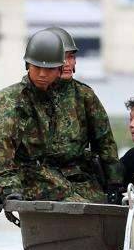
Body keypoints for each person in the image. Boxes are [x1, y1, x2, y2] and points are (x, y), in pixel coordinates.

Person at [0, 30, 109, 202]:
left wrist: (114, 183)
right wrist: (10, 190)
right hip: (31, 181)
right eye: (37, 67)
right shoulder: (11, 101)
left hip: (71, 179)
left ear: (59, 69)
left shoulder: (70, 96)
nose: (43, 74)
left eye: (49, 69)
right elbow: (0, 153)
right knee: (81, 209)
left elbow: (104, 142)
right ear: (28, 65)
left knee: (107, 208)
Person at [47, 26, 124, 202]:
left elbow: (105, 142)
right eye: (61, 58)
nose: (67, 64)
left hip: (79, 177)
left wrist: (114, 183)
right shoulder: (31, 95)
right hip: (41, 178)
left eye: (71, 57)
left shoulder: (84, 95)